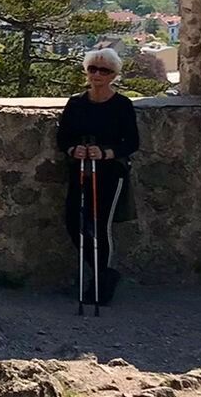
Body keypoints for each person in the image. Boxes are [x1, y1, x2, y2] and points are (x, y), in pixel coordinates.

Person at [55, 47, 139, 303]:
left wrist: (106, 153)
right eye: (93, 69)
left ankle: (101, 283)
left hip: (111, 173)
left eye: (104, 70)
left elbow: (132, 142)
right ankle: (104, 275)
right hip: (80, 170)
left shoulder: (122, 105)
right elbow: (63, 137)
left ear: (113, 75)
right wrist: (73, 149)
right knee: (74, 222)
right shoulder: (76, 103)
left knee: (101, 226)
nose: (97, 75)